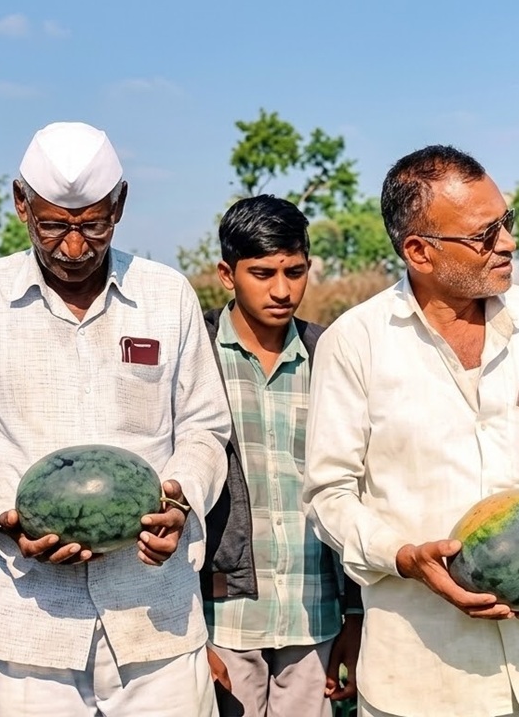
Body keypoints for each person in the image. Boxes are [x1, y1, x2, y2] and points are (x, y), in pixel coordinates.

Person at [300, 145, 519, 717]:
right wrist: (403, 556)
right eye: (484, 235)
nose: (507, 243)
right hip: (427, 678)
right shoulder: (355, 344)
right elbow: (329, 494)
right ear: (418, 251)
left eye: (506, 222)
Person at [0, 121, 232, 717]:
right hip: (33, 622)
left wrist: (182, 499)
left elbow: (205, 428)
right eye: (54, 225)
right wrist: (8, 517)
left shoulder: (166, 295)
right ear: (21, 203)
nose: (74, 247)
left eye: (93, 225)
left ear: (119, 204)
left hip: (156, 618)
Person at [198, 194, 363, 717]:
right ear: (227, 274)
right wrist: (185, 634)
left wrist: (356, 613)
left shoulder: (330, 354)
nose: (281, 289)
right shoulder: (195, 353)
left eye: (295, 271)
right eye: (262, 272)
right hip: (222, 616)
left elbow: (357, 486)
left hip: (315, 613)